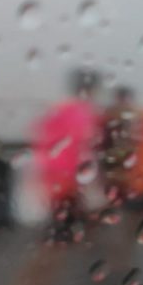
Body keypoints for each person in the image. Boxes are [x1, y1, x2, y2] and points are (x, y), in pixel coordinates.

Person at [31, 69, 101, 242]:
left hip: (54, 178)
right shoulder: (83, 112)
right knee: (63, 236)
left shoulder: (56, 109)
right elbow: (83, 149)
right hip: (69, 180)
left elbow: (39, 140)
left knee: (63, 232)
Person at [100, 86, 136, 205]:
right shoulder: (114, 114)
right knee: (117, 185)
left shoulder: (110, 113)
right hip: (116, 157)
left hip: (118, 157)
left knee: (117, 186)